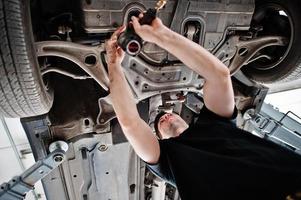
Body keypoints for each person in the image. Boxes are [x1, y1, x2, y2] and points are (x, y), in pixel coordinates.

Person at [105, 14, 301, 200]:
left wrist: (116, 63)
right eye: (160, 123)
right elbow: (220, 77)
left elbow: (131, 124)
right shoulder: (217, 127)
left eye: (161, 119)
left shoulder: (168, 166)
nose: (165, 118)